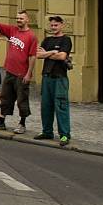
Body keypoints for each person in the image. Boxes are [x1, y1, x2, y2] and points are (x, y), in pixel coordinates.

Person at [0, 9, 38, 134]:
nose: (19, 20)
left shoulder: (31, 36)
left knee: (21, 99)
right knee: (5, 97)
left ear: (27, 20)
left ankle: (22, 124)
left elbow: (32, 56)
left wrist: (29, 73)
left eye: (21, 18)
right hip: (10, 71)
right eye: (18, 18)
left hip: (22, 74)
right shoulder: (12, 30)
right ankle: (0, 121)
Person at [34, 15, 72, 146]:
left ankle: (64, 135)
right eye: (52, 25)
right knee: (46, 106)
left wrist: (48, 53)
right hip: (47, 77)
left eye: (56, 25)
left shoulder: (66, 40)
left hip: (60, 77)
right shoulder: (47, 40)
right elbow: (38, 54)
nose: (53, 27)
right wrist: (52, 52)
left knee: (61, 106)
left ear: (61, 25)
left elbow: (62, 56)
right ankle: (47, 131)